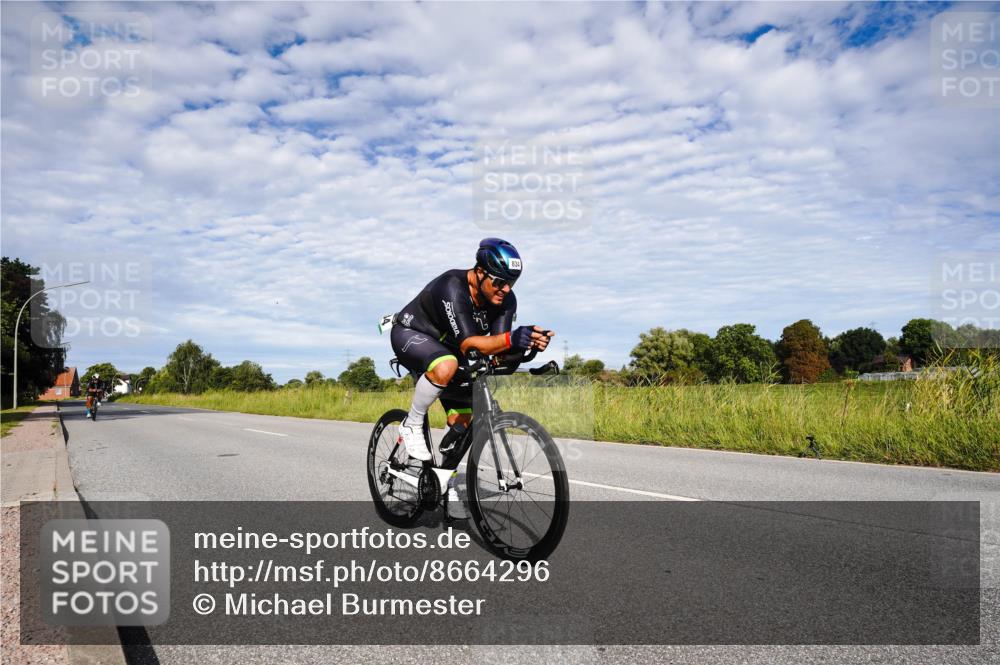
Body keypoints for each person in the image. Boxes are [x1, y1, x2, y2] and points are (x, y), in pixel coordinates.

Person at [389, 238, 554, 515]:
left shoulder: (505, 300)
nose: (505, 289)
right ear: (479, 272)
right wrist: (512, 338)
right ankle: (411, 423)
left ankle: (445, 482)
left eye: (511, 282)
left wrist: (526, 347)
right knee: (446, 364)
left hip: (452, 352)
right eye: (499, 282)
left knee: (463, 422)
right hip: (413, 334)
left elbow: (496, 351)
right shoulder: (452, 286)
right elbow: (469, 343)